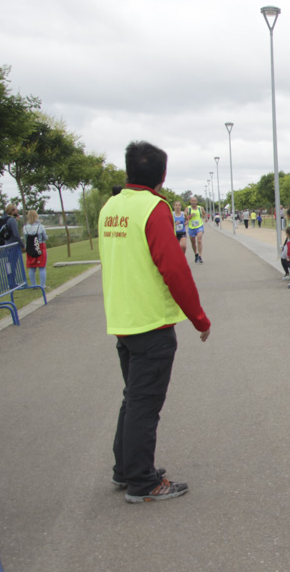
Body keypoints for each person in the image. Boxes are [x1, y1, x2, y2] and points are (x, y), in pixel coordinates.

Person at [99, 141, 210, 503]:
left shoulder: (111, 207)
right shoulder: (153, 208)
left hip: (123, 318)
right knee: (145, 405)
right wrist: (199, 319)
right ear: (162, 175)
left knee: (133, 399)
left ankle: (125, 468)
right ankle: (142, 482)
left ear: (128, 169)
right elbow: (174, 268)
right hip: (151, 322)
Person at [0, 203, 23, 287]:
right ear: (12, 211)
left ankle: (10, 282)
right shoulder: (12, 220)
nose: (17, 210)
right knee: (13, 264)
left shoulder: (5, 219)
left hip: (6, 245)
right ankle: (12, 283)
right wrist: (22, 245)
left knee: (8, 265)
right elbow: (16, 234)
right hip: (13, 246)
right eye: (16, 209)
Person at [22, 210, 48, 287]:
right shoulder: (40, 227)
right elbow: (45, 237)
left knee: (32, 267)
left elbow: (25, 238)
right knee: (42, 267)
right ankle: (42, 285)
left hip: (30, 248)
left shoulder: (25, 228)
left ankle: (33, 285)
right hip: (40, 246)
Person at [186, 196, 206, 263]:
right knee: (193, 242)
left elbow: (204, 214)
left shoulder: (200, 208)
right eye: (192, 201)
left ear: (196, 201)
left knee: (199, 240)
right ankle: (196, 254)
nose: (194, 202)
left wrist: (206, 217)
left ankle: (200, 256)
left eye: (195, 201)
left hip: (199, 226)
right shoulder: (188, 208)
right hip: (191, 227)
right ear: (190, 201)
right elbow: (185, 217)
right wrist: (189, 216)